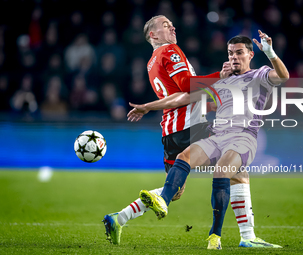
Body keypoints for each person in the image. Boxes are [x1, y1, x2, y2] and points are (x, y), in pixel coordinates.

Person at [138, 31, 289, 249]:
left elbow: (283, 76)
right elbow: (185, 96)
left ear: (250, 54)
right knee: (184, 156)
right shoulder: (222, 80)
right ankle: (164, 200)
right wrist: (148, 106)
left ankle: (215, 235)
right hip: (218, 136)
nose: (234, 57)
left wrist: (270, 52)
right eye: (230, 53)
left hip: (243, 138)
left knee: (223, 169)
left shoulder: (260, 75)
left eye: (239, 53)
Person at [102, 15, 229, 245]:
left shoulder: (152, 61)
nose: (172, 26)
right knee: (231, 166)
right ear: (153, 35)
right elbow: (187, 85)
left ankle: (118, 218)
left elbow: (179, 95)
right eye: (165, 25)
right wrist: (219, 76)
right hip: (190, 125)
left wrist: (213, 104)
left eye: (172, 23)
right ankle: (219, 236)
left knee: (176, 190)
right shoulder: (170, 50)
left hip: (171, 130)